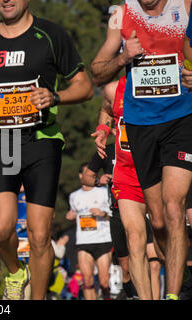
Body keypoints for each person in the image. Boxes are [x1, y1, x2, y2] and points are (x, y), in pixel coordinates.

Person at [0, 0, 93, 299]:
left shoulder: (51, 35)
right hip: (2, 142)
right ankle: (17, 272)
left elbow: (84, 86)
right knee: (1, 230)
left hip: (41, 139)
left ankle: (38, 297)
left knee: (40, 235)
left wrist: (55, 96)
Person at [90, 0, 192, 300]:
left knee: (174, 207)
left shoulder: (185, 5)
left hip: (181, 118)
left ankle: (172, 295)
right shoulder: (119, 14)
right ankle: (181, 270)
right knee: (158, 220)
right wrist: (123, 56)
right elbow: (97, 72)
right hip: (140, 124)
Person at [88, 77, 162, 299]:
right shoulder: (115, 88)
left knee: (164, 236)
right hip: (127, 173)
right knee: (135, 239)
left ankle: (179, 282)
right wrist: (102, 128)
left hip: (159, 170)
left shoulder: (166, 79)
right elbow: (106, 108)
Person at [66, 162, 113, 300]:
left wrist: (102, 213)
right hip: (83, 242)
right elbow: (73, 213)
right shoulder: (74, 196)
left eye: (92, 174)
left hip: (103, 241)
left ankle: (106, 297)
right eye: (87, 173)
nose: (90, 176)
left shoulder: (104, 192)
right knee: (87, 281)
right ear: (81, 176)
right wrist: (70, 216)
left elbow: (115, 215)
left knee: (104, 282)